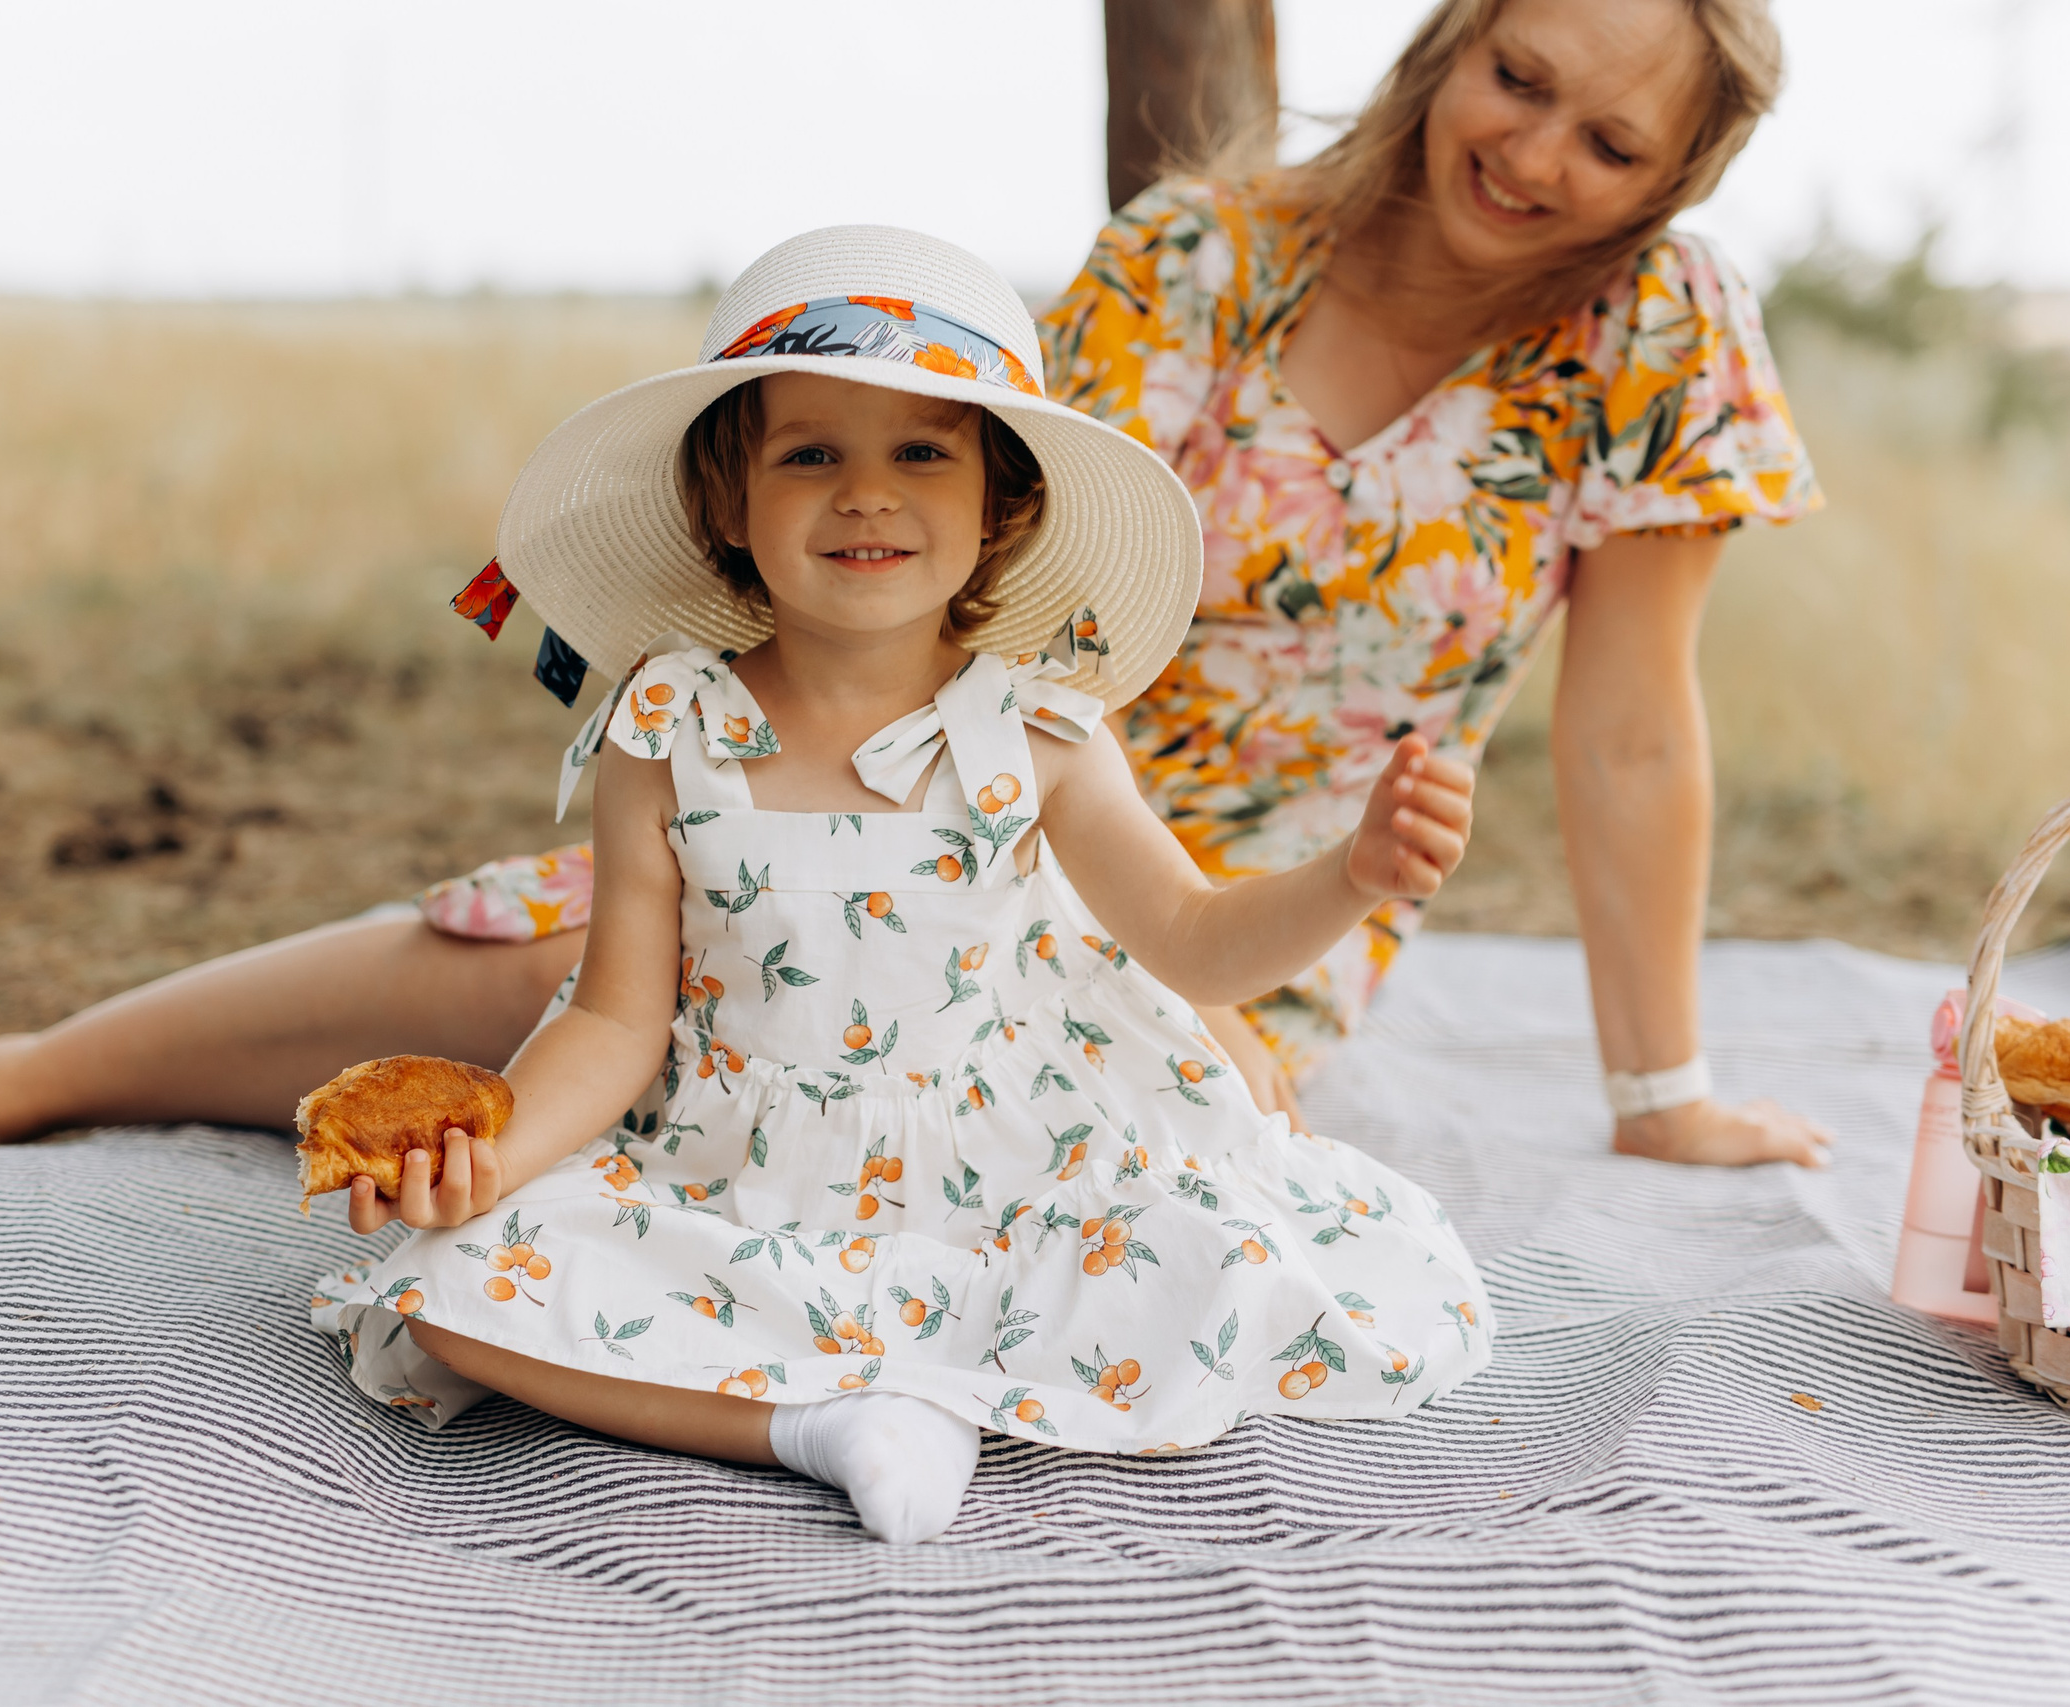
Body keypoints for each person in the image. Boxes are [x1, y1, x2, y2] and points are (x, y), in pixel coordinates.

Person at [0, 0, 1821, 1206]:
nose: (1533, 149)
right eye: (1514, 72)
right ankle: (7, 1075)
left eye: (1606, 138)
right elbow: (939, 522)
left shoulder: (1655, 340)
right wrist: (749, 741)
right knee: (577, 953)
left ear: (1671, 183)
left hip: (1231, 884)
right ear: (1450, 45)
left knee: (1138, 1137)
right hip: (927, 744)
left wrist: (1661, 1091)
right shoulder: (1196, 257)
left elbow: (1633, 724)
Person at [303, 226, 1492, 1543]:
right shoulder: (667, 729)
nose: (865, 494)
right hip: (732, 1173)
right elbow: (613, 1020)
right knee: (444, 1290)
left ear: (1002, 505)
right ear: (724, 506)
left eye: (922, 451)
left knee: (1207, 1267)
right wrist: (493, 1160)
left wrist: (1353, 875)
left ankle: (918, 1366)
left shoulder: (1038, 734)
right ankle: (825, 1423)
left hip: (1006, 1171)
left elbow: (1199, 943)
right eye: (809, 453)